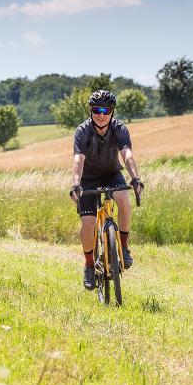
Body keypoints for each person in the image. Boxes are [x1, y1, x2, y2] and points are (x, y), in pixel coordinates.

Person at [69, 89, 144, 291]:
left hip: (112, 174)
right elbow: (78, 160)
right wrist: (75, 183)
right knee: (88, 223)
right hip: (88, 179)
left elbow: (127, 155)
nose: (101, 114)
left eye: (106, 110)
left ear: (112, 111)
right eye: (97, 110)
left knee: (124, 201)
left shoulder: (119, 129)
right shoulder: (82, 131)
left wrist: (135, 178)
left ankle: (124, 247)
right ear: (90, 110)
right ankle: (89, 265)